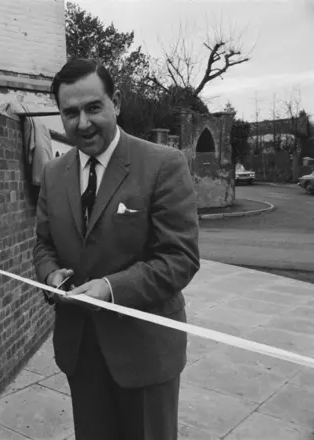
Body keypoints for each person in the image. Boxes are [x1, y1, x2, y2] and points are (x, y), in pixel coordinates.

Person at [33, 58, 200, 440]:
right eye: (70, 113)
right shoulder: (54, 174)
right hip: (81, 353)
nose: (82, 123)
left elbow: (180, 258)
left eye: (93, 108)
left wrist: (110, 289)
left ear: (117, 102)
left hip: (145, 354)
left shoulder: (163, 164)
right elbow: (43, 244)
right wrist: (50, 275)